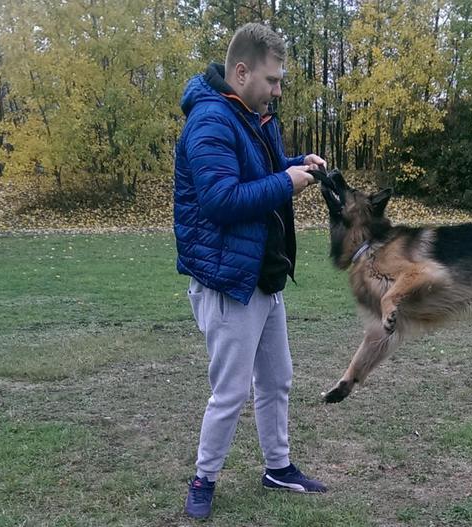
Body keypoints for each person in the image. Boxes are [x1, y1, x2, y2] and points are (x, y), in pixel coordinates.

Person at [173, 23, 328, 520]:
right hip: (227, 279)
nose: (278, 90)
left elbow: (255, 173)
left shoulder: (253, 116)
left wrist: (294, 162)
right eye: (273, 79)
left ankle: (277, 467)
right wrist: (286, 182)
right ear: (241, 73)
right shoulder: (210, 122)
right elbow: (220, 200)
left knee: (277, 378)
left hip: (262, 273)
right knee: (231, 391)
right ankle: (204, 478)